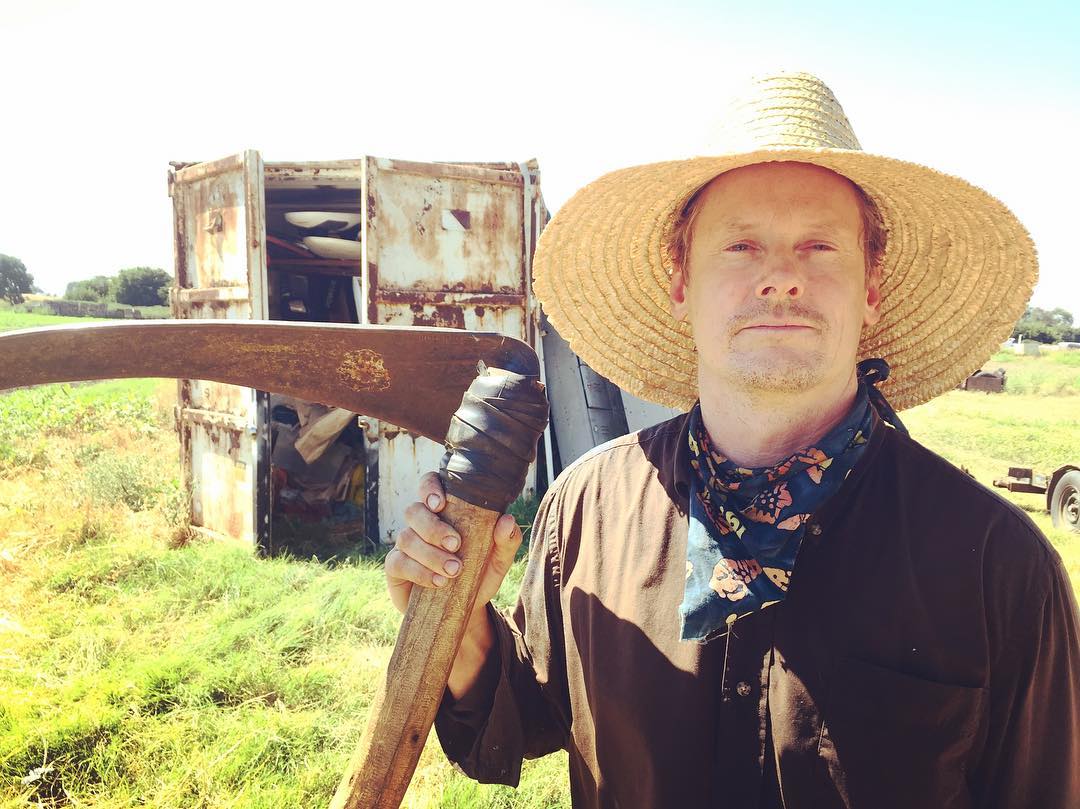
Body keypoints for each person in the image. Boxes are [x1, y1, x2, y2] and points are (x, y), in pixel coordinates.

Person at [383, 73, 1080, 808]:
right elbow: (528, 713)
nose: (780, 277)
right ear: (681, 282)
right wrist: (456, 628)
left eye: (819, 246)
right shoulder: (586, 510)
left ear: (871, 287)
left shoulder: (999, 570)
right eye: (742, 245)